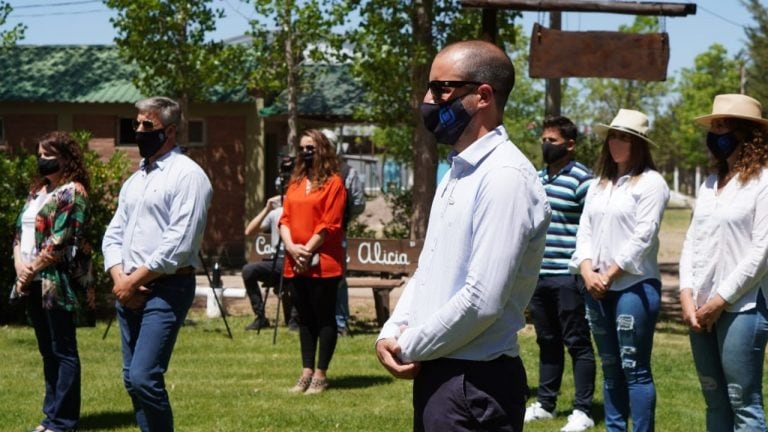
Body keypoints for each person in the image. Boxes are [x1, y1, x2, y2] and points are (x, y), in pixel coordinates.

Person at [375, 40, 551, 431]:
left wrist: (410, 345)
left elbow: (482, 300)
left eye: (440, 89)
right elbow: (429, 270)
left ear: (483, 95)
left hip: (475, 385)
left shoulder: (504, 178)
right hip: (442, 371)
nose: (427, 99)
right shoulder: (459, 171)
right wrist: (390, 332)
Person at [102, 96, 212, 431]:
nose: (138, 130)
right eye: (135, 123)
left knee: (144, 376)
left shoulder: (188, 176)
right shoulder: (137, 180)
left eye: (146, 125)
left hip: (167, 287)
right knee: (131, 379)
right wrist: (121, 279)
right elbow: (113, 235)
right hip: (130, 287)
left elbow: (178, 245)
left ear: (170, 131)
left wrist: (130, 283)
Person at [570, 109, 669, 432]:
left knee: (634, 369)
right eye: (613, 135)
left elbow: (644, 235)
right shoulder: (600, 185)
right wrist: (586, 270)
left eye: (624, 137)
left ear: (639, 144)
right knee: (610, 368)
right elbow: (584, 229)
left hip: (633, 287)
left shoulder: (652, 183)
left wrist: (610, 274)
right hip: (596, 286)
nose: (616, 142)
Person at [679, 93, 768, 431]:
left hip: (742, 307)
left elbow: (761, 252)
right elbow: (692, 240)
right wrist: (687, 294)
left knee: (744, 403)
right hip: (699, 305)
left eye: (724, 126)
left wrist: (719, 301)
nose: (716, 134)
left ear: (747, 133)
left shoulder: (764, 182)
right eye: (713, 127)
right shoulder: (709, 183)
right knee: (714, 399)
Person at [12, 131, 92, 432]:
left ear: (65, 158)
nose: (42, 160)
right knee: (47, 350)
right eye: (40, 154)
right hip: (31, 277)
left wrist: (29, 271)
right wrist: (20, 265)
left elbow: (60, 243)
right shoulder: (37, 192)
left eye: (49, 155)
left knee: (63, 350)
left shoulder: (74, 193)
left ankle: (63, 422)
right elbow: (20, 233)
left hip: (55, 280)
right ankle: (50, 418)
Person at [525, 116, 596, 432]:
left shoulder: (584, 180)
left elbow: (593, 228)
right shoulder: (537, 178)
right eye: (543, 139)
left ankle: (583, 410)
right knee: (547, 341)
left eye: (551, 141)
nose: (545, 145)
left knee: (577, 342)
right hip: (539, 275)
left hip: (569, 275)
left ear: (570, 144)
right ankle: (545, 404)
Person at [279, 128, 347, 395]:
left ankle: (321, 373)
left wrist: (306, 251)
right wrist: (291, 247)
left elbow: (329, 224)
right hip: (295, 261)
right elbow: (284, 219)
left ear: (323, 150)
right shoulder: (295, 182)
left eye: (311, 148)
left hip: (323, 261)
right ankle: (306, 371)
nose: (306, 153)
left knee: (324, 317)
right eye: (302, 148)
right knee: (304, 318)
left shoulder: (334, 183)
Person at [320, 128, 366, 336]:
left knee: (337, 279)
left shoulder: (347, 171)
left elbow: (358, 203)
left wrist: (341, 217)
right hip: (308, 234)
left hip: (337, 235)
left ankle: (340, 323)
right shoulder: (310, 170)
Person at [242, 195, 281, 330]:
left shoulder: (301, 209)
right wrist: (267, 208)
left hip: (297, 259)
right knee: (248, 271)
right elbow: (249, 231)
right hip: (277, 261)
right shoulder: (275, 213)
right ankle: (260, 316)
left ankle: (295, 319)